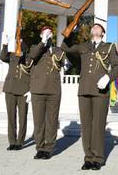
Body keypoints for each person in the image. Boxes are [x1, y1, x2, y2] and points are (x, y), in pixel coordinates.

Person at [61, 23, 118, 170]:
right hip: (84, 90)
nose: (94, 28)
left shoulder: (109, 47)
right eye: (93, 27)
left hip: (101, 92)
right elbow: (65, 48)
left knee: (98, 125)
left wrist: (108, 78)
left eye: (98, 27)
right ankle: (88, 158)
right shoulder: (83, 46)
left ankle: (98, 158)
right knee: (86, 126)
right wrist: (70, 33)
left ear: (102, 33)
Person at [29, 26, 68, 160]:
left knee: (51, 120)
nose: (48, 34)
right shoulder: (35, 47)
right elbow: (32, 56)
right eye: (45, 32)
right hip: (38, 89)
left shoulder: (57, 50)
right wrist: (43, 42)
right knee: (39, 121)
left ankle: (49, 148)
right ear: (41, 35)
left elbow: (64, 64)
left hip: (53, 90)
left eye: (50, 32)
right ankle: (40, 148)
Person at [0, 34, 32, 151]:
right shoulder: (12, 55)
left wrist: (31, 91)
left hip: (23, 90)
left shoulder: (29, 58)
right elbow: (3, 57)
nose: (19, 43)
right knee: (11, 117)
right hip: (10, 89)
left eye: (21, 42)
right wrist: (5, 44)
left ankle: (20, 142)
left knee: (22, 117)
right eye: (18, 42)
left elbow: (32, 74)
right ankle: (12, 141)